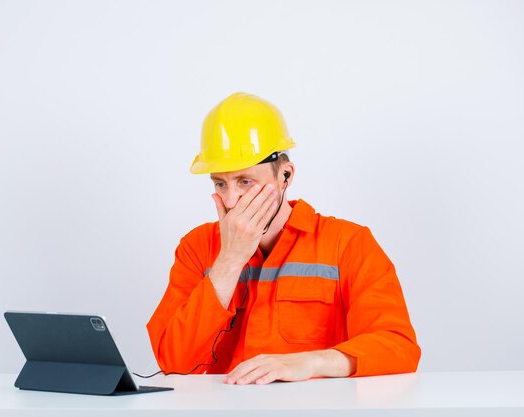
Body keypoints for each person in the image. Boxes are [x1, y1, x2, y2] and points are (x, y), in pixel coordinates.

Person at [147, 92, 421, 385]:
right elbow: (173, 362)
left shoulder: (348, 243)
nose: (231, 199)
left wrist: (312, 361)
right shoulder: (197, 247)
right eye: (220, 183)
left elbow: (398, 346)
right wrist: (229, 260)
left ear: (285, 176)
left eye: (245, 181)